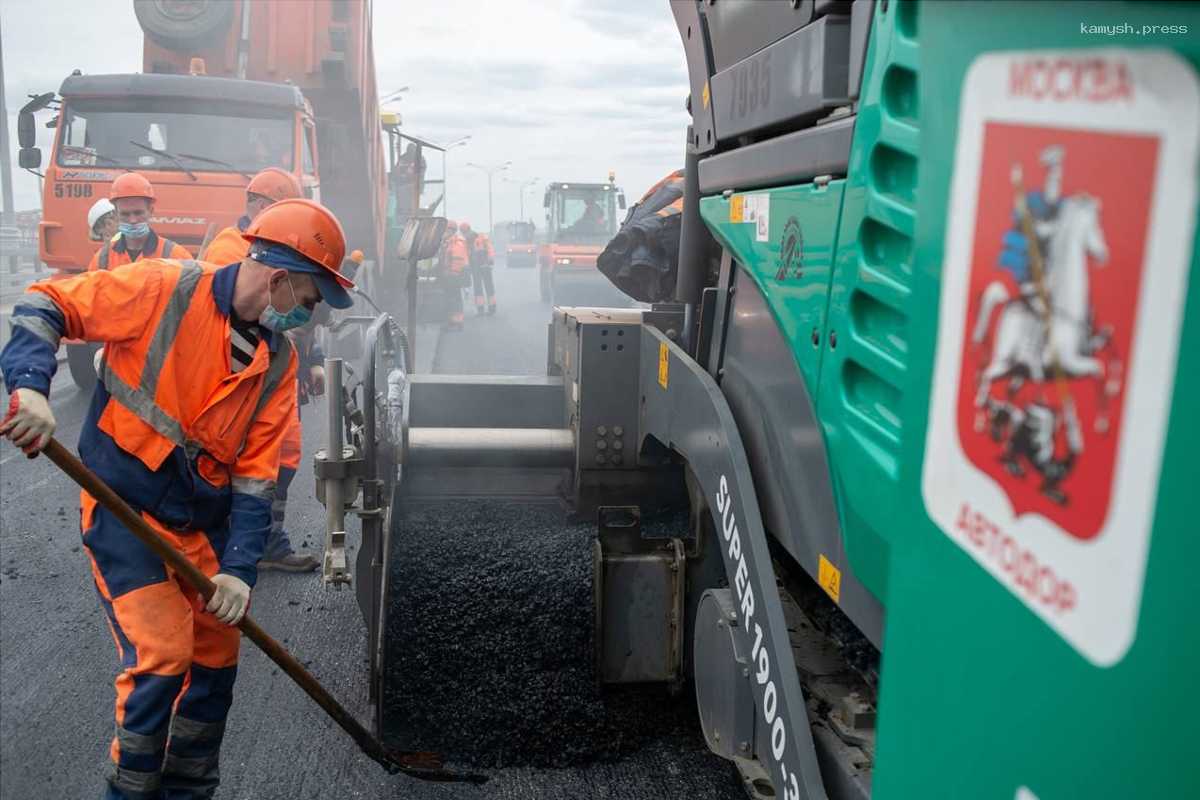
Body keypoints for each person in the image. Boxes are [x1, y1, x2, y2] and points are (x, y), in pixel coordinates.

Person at [0, 198, 354, 800]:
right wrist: (29, 389)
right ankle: (131, 792)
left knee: (216, 658)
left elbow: (255, 477)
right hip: (124, 514)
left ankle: (188, 792)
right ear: (280, 279)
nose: (312, 318)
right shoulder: (162, 289)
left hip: (200, 529)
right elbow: (45, 304)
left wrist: (239, 572)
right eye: (313, 301)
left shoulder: (277, 363)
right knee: (163, 652)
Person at [201, 167, 324, 572]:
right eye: (279, 209)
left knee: (284, 456)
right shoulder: (229, 248)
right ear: (257, 206)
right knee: (243, 460)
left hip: (278, 370)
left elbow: (300, 307)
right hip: (243, 374)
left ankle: (265, 539)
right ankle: (232, 544)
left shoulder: (282, 246)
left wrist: (314, 361)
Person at [88, 173, 192, 270]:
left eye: (138, 213)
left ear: (150, 211)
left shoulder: (177, 256)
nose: (132, 220)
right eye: (125, 214)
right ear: (117, 214)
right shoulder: (101, 261)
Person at [204, 167, 303, 265]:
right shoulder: (229, 248)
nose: (290, 219)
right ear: (262, 206)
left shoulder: (268, 243)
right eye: (285, 210)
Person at [459, 221, 496, 315]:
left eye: (465, 232)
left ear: (468, 230)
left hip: (485, 266)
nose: (465, 234)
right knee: (478, 288)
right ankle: (480, 309)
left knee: (489, 287)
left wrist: (490, 259)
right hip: (475, 268)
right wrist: (465, 267)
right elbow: (465, 256)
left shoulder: (482, 237)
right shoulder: (464, 243)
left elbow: (490, 248)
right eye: (463, 232)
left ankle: (492, 307)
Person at [437, 220, 469, 330]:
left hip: (454, 275)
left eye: (446, 230)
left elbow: (458, 259)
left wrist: (452, 273)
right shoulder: (448, 242)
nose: (444, 232)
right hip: (451, 274)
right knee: (452, 297)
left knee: (454, 297)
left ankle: (457, 321)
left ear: (451, 230)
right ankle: (452, 320)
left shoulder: (456, 242)